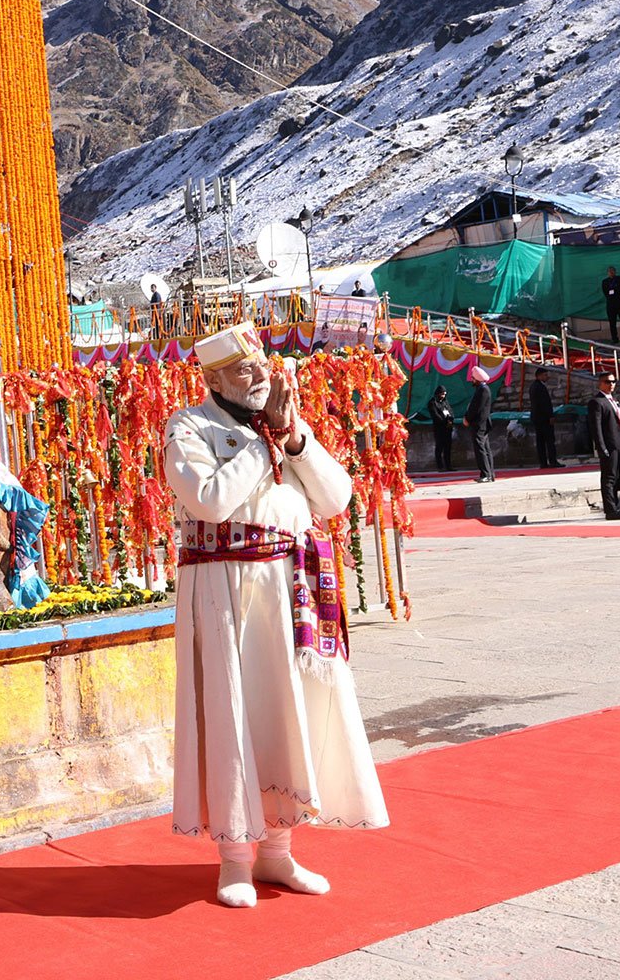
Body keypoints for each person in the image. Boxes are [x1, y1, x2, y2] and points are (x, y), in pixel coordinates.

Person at [164, 324, 388, 909]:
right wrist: (263, 444)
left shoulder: (284, 425)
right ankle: (235, 860)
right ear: (214, 380)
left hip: (290, 591)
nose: (260, 374)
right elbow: (210, 501)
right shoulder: (187, 427)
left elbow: (336, 498)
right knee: (234, 714)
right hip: (227, 593)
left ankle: (278, 853)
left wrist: (294, 440)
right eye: (244, 369)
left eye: (261, 363)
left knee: (290, 714)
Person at [589, 372, 620, 520]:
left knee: (617, 476)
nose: (611, 385)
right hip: (609, 445)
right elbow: (596, 428)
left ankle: (615, 506)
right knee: (609, 478)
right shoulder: (597, 402)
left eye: (614, 382)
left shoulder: (614, 401)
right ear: (600, 383)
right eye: (608, 382)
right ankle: (610, 510)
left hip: (619, 443)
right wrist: (601, 447)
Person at [463, 366, 495, 482]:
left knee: (481, 449)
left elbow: (476, 408)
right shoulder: (482, 389)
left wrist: (467, 418)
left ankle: (486, 474)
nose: (472, 380)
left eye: (473, 378)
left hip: (479, 424)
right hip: (482, 424)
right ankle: (490, 474)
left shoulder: (482, 390)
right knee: (485, 448)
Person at [529, 367, 562, 468]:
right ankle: (552, 461)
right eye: (545, 375)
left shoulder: (534, 386)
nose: (547, 377)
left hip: (537, 417)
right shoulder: (539, 387)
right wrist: (550, 416)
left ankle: (543, 462)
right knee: (549, 440)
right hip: (543, 418)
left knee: (541, 441)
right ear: (539, 376)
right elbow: (544, 404)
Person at [428, 385, 456, 471]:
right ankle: (440, 466)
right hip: (439, 428)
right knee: (439, 447)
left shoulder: (445, 402)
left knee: (448, 447)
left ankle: (448, 465)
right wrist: (444, 421)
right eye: (442, 394)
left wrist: (450, 420)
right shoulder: (432, 403)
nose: (443, 396)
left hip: (448, 428)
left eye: (444, 394)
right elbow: (435, 415)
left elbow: (450, 411)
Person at [602, 266, 620, 343]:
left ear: (615, 272)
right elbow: (605, 292)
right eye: (609, 271)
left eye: (612, 271)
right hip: (611, 305)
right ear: (607, 273)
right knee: (612, 322)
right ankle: (614, 338)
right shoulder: (605, 282)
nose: (611, 273)